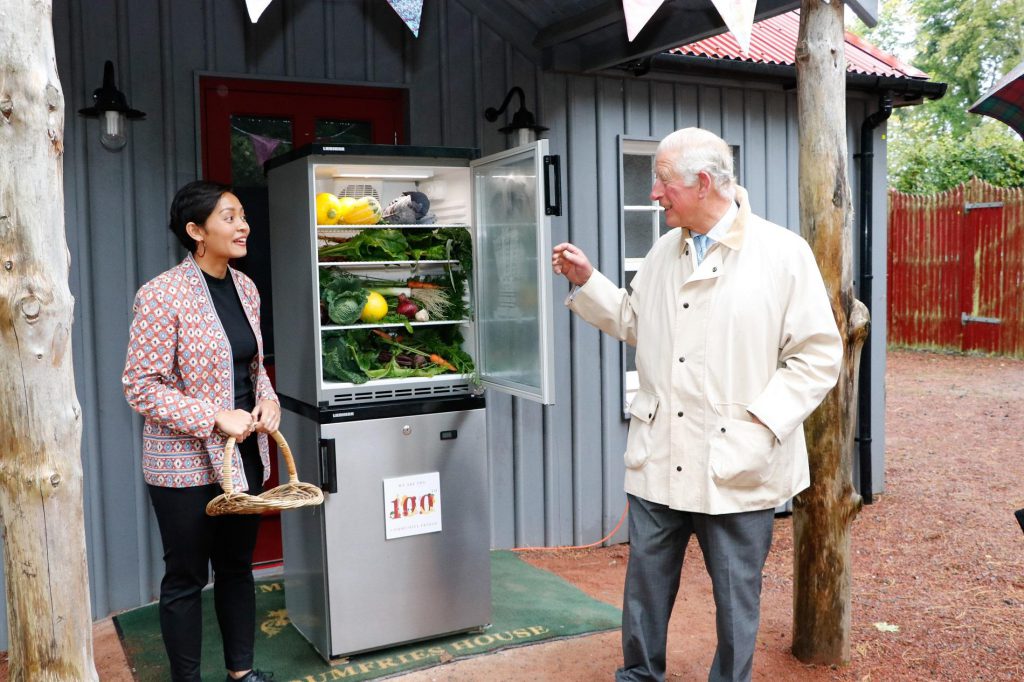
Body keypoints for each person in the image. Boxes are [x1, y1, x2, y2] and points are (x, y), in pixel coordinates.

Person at [552, 127, 843, 682]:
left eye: (662, 181)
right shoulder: (666, 251)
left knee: (737, 599)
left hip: (736, 461)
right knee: (645, 588)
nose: (655, 193)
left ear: (704, 182)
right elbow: (637, 322)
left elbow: (817, 356)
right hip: (661, 452)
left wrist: (759, 428)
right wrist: (589, 282)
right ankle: (639, 675)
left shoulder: (783, 254)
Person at [122, 180, 279, 682]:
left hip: (242, 455)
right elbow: (140, 386)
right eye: (229, 217)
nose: (243, 225)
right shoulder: (161, 294)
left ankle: (242, 673)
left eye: (242, 216)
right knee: (187, 577)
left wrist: (268, 403)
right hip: (182, 464)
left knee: (237, 566)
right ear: (196, 231)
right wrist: (212, 415)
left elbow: (253, 369)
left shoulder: (247, 288)